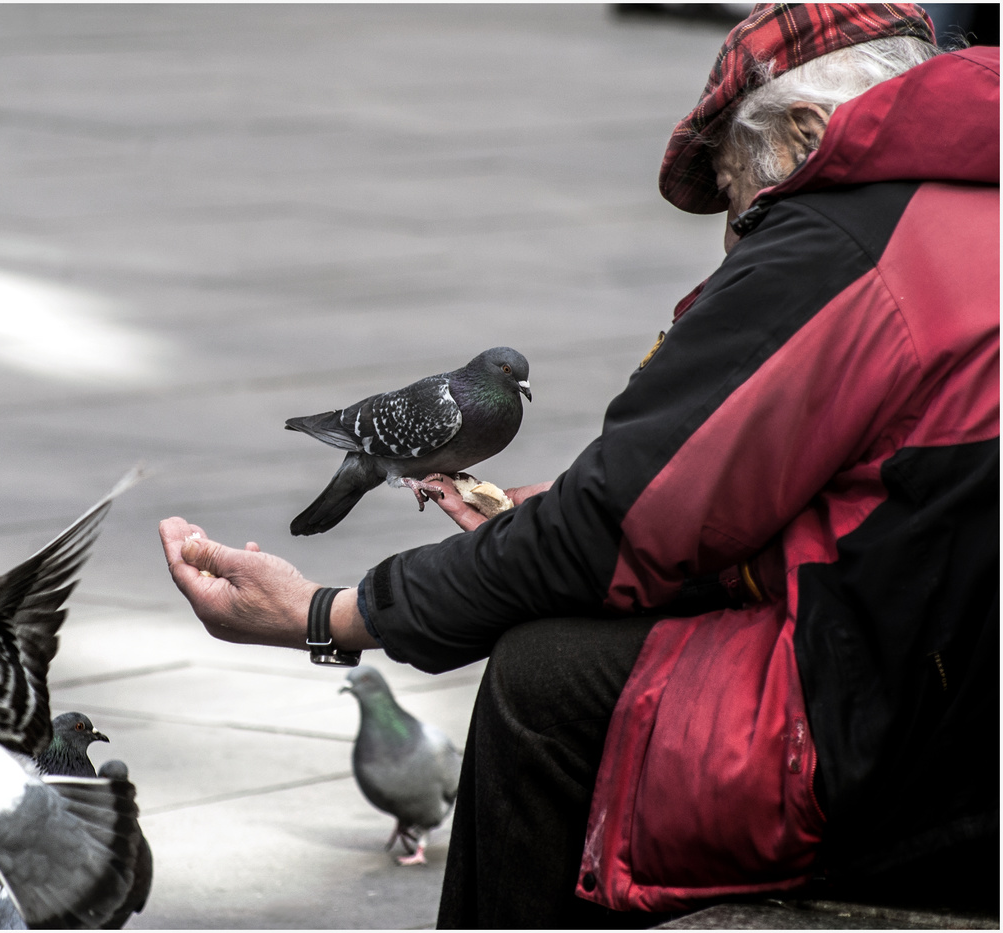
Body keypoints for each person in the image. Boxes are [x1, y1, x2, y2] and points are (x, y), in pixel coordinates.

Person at [161, 3, 999, 927]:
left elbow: (622, 523)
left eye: (733, 191)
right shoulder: (967, 194)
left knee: (544, 679)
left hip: (923, 769)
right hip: (966, 709)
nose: (733, 236)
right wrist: (547, 522)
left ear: (805, 135)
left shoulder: (843, 242)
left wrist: (332, 615)